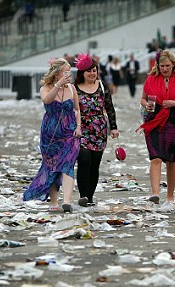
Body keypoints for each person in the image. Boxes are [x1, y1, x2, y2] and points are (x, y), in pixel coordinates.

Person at [23, 58, 82, 213]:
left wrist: (79, 126)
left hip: (70, 131)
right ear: (57, 73)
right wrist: (58, 85)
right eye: (66, 71)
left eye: (70, 71)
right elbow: (47, 100)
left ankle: (67, 201)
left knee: (68, 164)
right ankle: (54, 202)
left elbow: (77, 110)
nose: (69, 74)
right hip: (51, 133)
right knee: (52, 166)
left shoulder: (72, 88)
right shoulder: (46, 87)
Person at [137, 50, 175, 209]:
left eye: (167, 66)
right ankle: (155, 193)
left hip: (173, 121)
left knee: (171, 160)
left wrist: (174, 103)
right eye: (162, 66)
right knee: (155, 158)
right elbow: (142, 98)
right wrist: (146, 105)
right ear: (157, 66)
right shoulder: (150, 79)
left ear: (173, 65)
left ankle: (170, 196)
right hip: (154, 120)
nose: (165, 69)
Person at [73, 53, 119, 207]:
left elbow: (109, 107)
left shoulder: (101, 86)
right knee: (84, 159)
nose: (92, 73)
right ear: (82, 73)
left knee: (95, 163)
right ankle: (83, 195)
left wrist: (113, 127)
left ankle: (90, 197)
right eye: (89, 71)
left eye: (94, 70)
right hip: (81, 127)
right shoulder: (74, 88)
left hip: (99, 128)